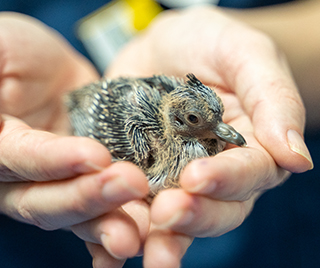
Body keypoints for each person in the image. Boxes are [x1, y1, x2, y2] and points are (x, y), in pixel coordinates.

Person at [0, 2, 315, 268]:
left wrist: (266, 50)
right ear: (178, 118)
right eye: (194, 120)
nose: (221, 131)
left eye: (214, 120)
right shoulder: (140, 139)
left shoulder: (187, 116)